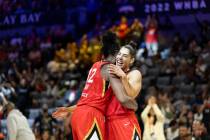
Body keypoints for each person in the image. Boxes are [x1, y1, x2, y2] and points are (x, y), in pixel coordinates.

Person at [52, 31, 137, 140]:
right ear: (116, 54)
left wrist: (68, 109)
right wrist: (134, 105)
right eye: (119, 54)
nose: (120, 57)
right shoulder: (111, 69)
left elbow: (88, 101)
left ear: (103, 54)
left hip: (78, 114)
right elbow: (123, 99)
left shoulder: (95, 66)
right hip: (91, 117)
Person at [106, 43, 142, 140]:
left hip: (125, 122)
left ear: (132, 60)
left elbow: (131, 95)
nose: (120, 57)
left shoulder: (134, 74)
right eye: (119, 54)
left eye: (125, 56)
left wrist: (123, 77)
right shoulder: (109, 75)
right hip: (108, 124)